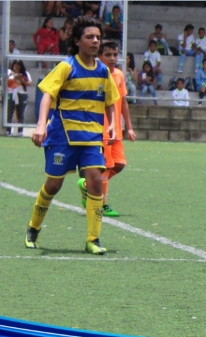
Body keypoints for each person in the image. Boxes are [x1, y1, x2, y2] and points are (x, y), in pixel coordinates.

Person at [25, 16, 119, 255]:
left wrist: (112, 124)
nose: (95, 41)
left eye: (98, 37)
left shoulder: (103, 71)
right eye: (89, 37)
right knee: (53, 185)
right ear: (77, 41)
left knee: (95, 181)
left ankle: (93, 239)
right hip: (62, 136)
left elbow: (111, 100)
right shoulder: (67, 67)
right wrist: (40, 125)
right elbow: (47, 94)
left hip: (91, 137)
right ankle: (33, 228)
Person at [78, 40, 136, 218]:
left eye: (115, 55)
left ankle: (88, 185)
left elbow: (123, 102)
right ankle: (100, 204)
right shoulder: (95, 75)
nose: (112, 58)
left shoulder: (118, 75)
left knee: (119, 164)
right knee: (104, 168)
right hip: (100, 130)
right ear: (99, 56)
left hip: (115, 129)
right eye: (108, 55)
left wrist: (129, 127)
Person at [6, 60, 32, 136]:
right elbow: (5, 82)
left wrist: (21, 79)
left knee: (21, 113)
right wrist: (12, 77)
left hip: (22, 94)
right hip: (11, 93)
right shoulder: (9, 72)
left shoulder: (25, 73)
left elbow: (29, 83)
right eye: (15, 66)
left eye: (18, 67)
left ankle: (20, 131)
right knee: (9, 112)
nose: (16, 68)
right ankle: (8, 130)